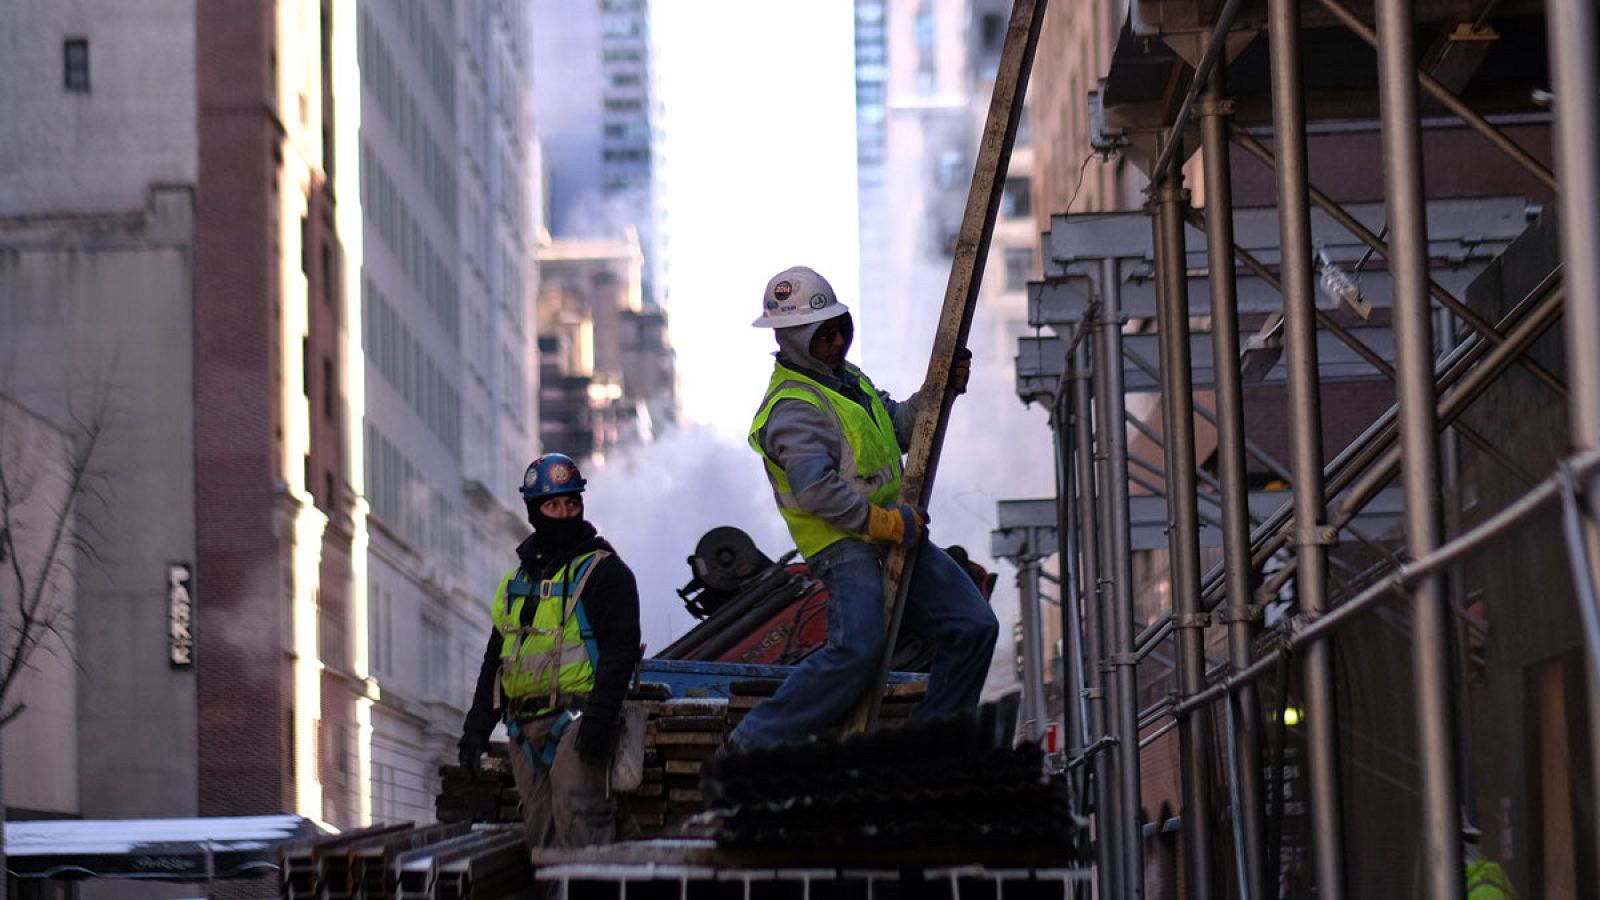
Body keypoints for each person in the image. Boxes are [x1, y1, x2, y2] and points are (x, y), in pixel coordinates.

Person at [730, 265, 999, 750]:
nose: (836, 342)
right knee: (858, 649)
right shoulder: (792, 408)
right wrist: (886, 524)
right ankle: (753, 741)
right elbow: (817, 492)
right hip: (845, 546)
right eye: (823, 335)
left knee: (975, 626)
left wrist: (940, 394)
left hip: (892, 531)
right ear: (792, 339)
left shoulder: (848, 381)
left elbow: (899, 427)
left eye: (840, 329)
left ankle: (932, 749)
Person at [458, 453, 642, 849]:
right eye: (552, 505)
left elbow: (620, 650)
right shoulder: (515, 584)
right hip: (524, 728)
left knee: (580, 820)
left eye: (572, 503)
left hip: (579, 719)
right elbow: (496, 664)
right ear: (533, 511)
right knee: (541, 834)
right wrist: (475, 731)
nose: (563, 513)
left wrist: (600, 717)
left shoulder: (604, 572)